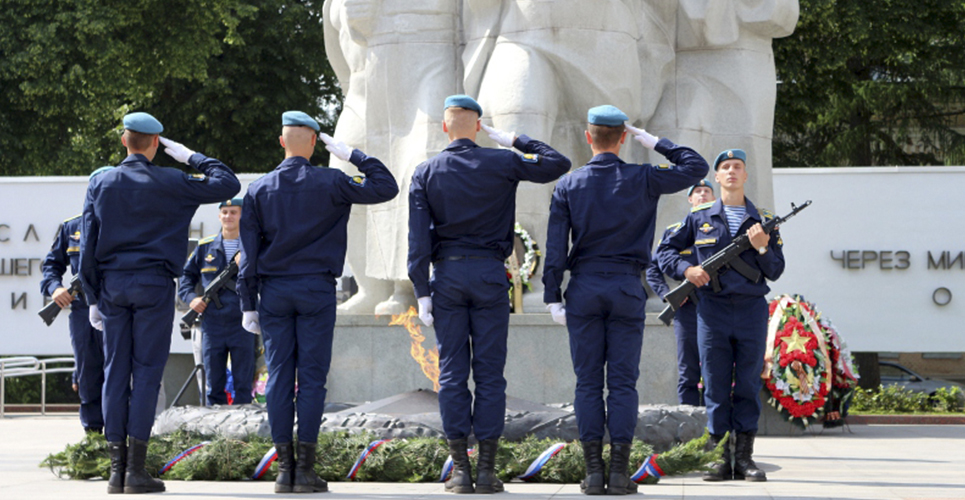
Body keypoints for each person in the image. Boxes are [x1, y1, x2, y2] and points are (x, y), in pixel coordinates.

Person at [407, 95, 571, 494]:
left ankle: (461, 471)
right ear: (479, 126)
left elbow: (417, 239)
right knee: (490, 374)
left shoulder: (426, 170)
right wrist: (515, 139)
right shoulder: (502, 161)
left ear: (444, 127)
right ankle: (486, 471)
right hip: (489, 275)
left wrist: (421, 290)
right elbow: (557, 163)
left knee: (452, 373)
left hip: (447, 276)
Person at [542, 105, 708, 495]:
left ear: (588, 137)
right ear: (623, 139)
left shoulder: (568, 184)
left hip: (584, 287)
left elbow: (555, 247)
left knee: (587, 383)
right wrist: (655, 143)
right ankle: (618, 473)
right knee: (622, 383)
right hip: (626, 287)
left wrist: (552, 295)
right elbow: (696, 166)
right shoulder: (643, 177)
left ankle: (592, 474)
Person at [79, 112, 240, 494]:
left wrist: (92, 296)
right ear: (156, 143)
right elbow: (228, 182)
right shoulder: (172, 180)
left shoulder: (101, 182)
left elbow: (88, 243)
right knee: (148, 372)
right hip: (152, 285)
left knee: (115, 372)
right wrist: (189, 156)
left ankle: (116, 472)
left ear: (124, 141)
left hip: (113, 285)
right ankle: (135, 470)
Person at [237, 111, 398, 494]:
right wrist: (353, 155)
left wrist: (247, 303)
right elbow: (386, 186)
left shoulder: (259, 189)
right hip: (315, 289)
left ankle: (284, 471)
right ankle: (305, 471)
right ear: (314, 142)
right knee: (311, 379)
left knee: (279, 378)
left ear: (282, 142)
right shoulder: (332, 180)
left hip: (274, 292)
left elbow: (248, 254)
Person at [657, 148, 785, 482]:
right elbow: (665, 252)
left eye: (737, 166)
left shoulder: (763, 220)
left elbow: (775, 270)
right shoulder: (698, 217)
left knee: (747, 384)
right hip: (712, 310)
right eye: (725, 167)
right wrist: (687, 270)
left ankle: (744, 458)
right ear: (716, 177)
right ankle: (718, 458)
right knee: (714, 385)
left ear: (745, 175)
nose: (731, 171)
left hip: (751, 309)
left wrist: (762, 247)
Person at [40, 166, 114, 435]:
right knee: (88, 374)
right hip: (82, 310)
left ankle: (119, 437)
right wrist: (55, 288)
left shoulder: (126, 226)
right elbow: (51, 266)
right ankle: (93, 436)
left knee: (119, 374)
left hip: (117, 308)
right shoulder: (72, 227)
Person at [646, 179, 716, 406]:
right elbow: (653, 269)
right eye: (698, 191)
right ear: (690, 199)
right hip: (687, 309)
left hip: (717, 305)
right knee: (688, 371)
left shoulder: (721, 231)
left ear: (714, 199)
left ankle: (715, 422)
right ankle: (689, 419)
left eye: (707, 191)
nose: (703, 194)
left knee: (716, 369)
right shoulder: (674, 232)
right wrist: (667, 295)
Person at [178, 198, 254, 406]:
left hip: (243, 322)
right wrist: (191, 299)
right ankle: (215, 425)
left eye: (234, 212)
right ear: (219, 216)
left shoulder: (251, 246)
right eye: (225, 212)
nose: (229, 216)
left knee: (243, 385)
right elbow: (185, 277)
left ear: (242, 216)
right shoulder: (205, 247)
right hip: (213, 324)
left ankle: (243, 424)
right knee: (213, 385)